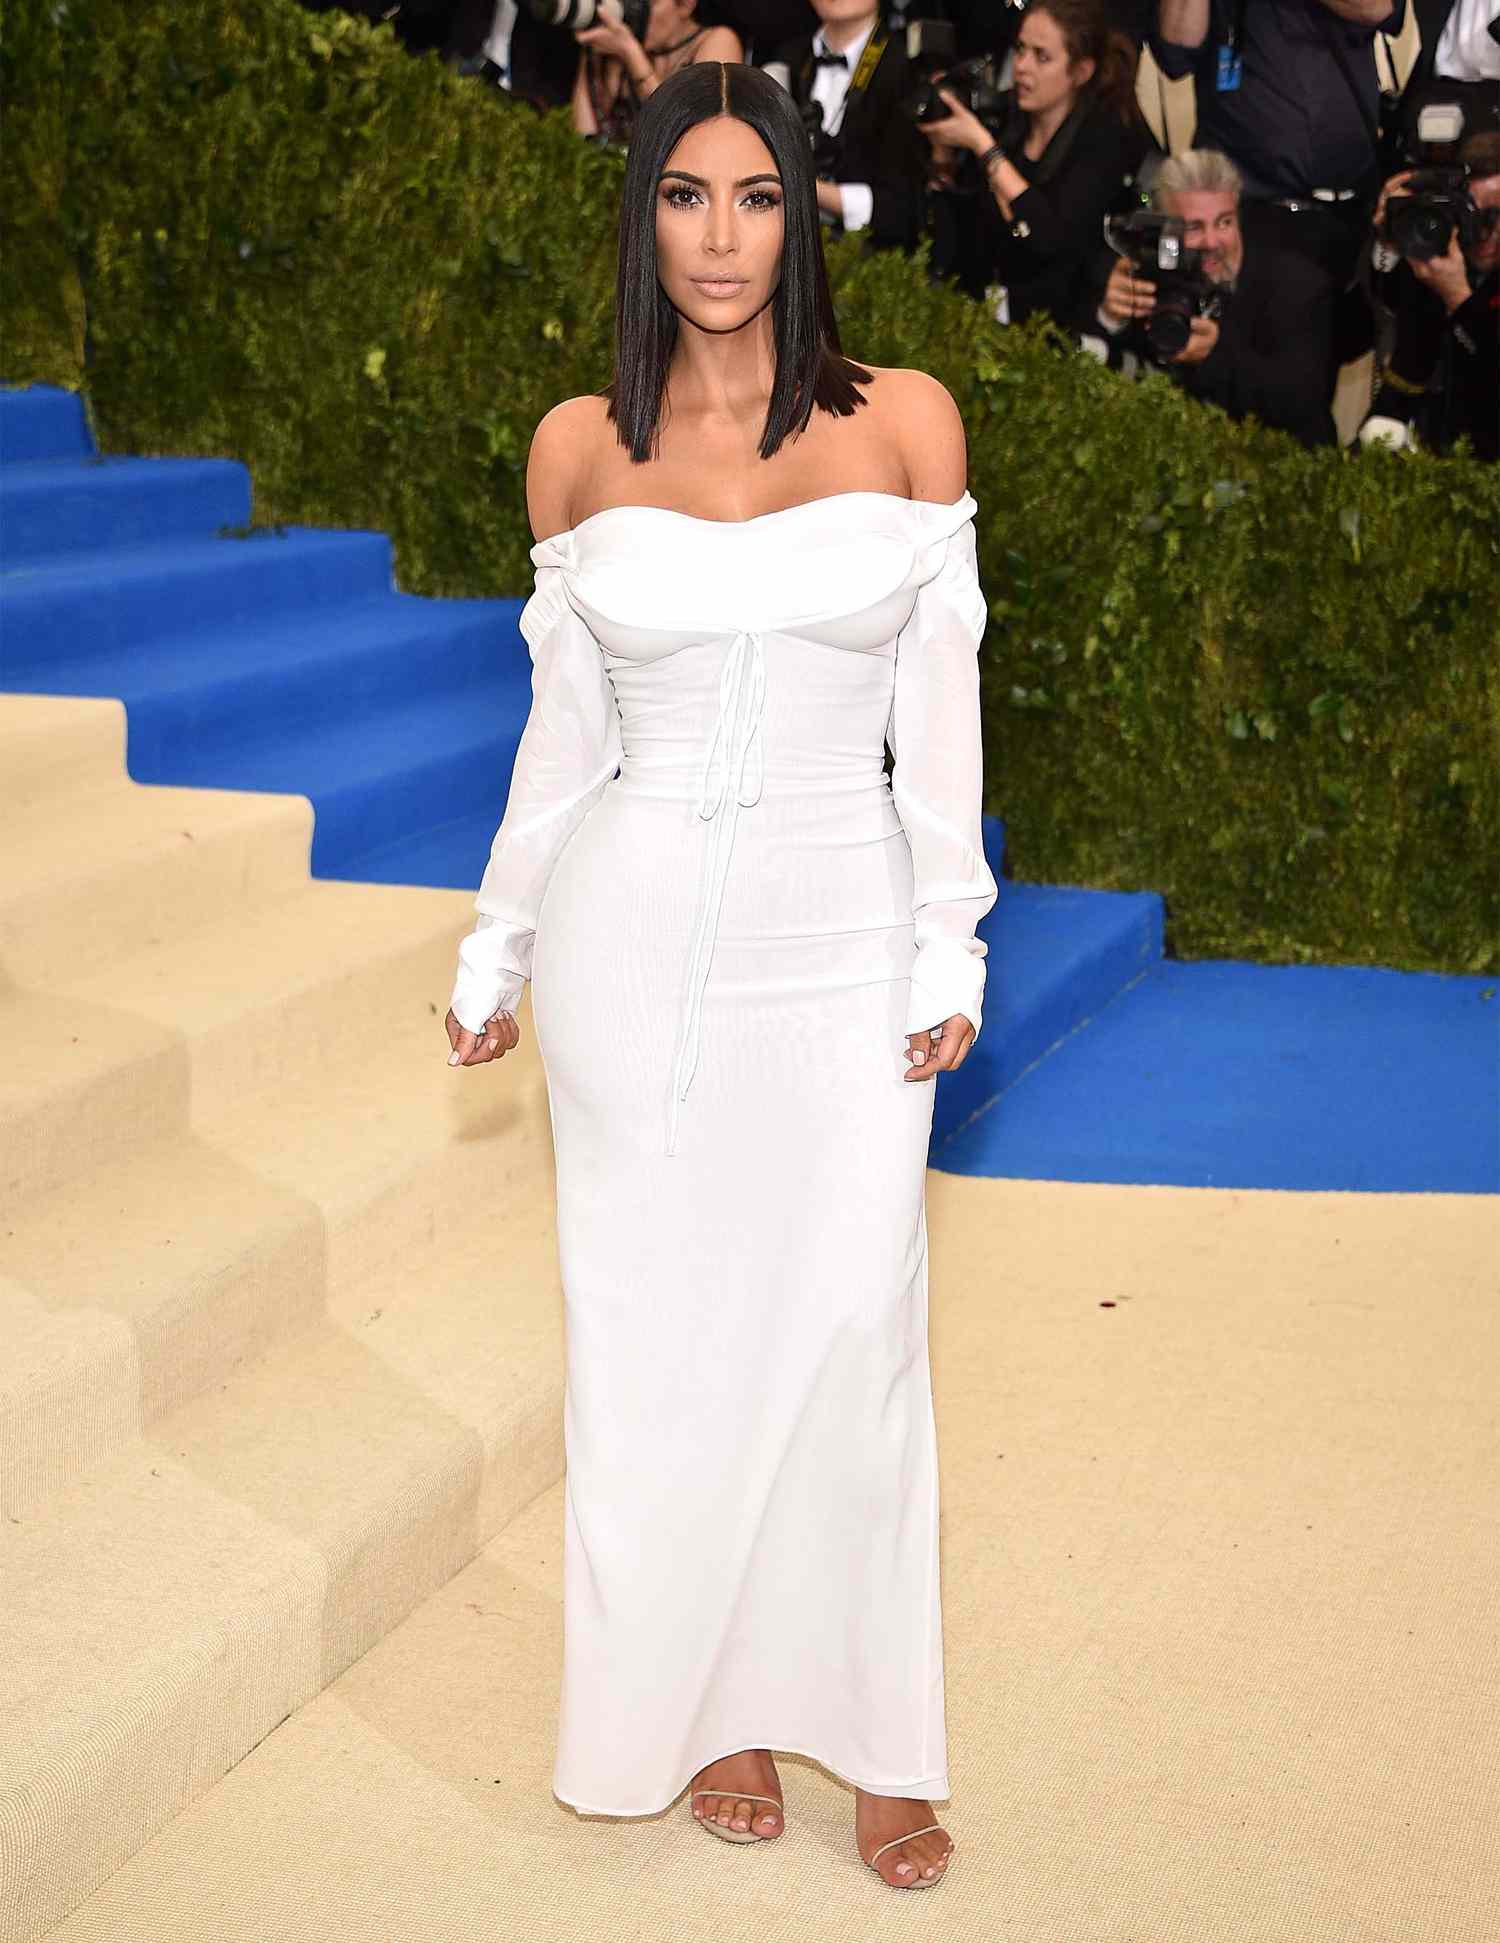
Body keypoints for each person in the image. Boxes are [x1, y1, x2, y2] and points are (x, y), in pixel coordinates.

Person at [445, 59, 996, 1890]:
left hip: (846, 922)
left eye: (756, 195)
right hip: (637, 933)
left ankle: (879, 1735)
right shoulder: (575, 448)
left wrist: (949, 931)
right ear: (641, 214)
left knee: (857, 1325)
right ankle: (720, 1708)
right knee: (664, 1340)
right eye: (685, 195)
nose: (721, 237)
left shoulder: (907, 421)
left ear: (802, 211)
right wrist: (497, 937)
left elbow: (944, 719)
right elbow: (562, 738)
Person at [1148, 0, 1409, 391]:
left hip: (1343, 210)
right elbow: (1175, 52)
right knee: (1235, 381)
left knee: (1308, 382)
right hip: (1246, 214)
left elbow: (1377, 9)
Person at [918, 0, 1155, 322]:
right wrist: (943, 154)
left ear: (1081, 71)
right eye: (1020, 49)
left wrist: (983, 147)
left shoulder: (1105, 141)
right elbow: (959, 236)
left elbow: (1049, 237)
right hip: (982, 316)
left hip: (1059, 330)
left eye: (1041, 57)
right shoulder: (1006, 119)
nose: (1022, 66)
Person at [1084, 147, 1340, 444]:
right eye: (1194, 227)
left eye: (1224, 222)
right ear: (1163, 230)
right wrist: (1109, 318)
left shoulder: (1299, 286)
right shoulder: (1148, 276)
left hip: (1273, 465)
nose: (1212, 242)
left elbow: (1301, 403)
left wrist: (1213, 357)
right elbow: (1093, 367)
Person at [1361, 128, 1500, 454]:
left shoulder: (1451, 277)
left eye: (1497, 215)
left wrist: (1458, 299)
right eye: (1473, 212)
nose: (1485, 230)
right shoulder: (1441, 257)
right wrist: (1391, 239)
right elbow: (1365, 327)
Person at [772, 0, 933, 251]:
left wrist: (806, 189)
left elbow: (903, 209)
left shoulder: (907, 69)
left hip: (874, 262)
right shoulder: (785, 59)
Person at [571, 0, 743, 143]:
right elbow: (582, 136)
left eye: (646, 5)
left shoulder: (719, 40)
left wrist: (631, 54)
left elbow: (694, 135)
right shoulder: (624, 51)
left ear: (686, 5)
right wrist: (590, 52)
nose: (636, 15)